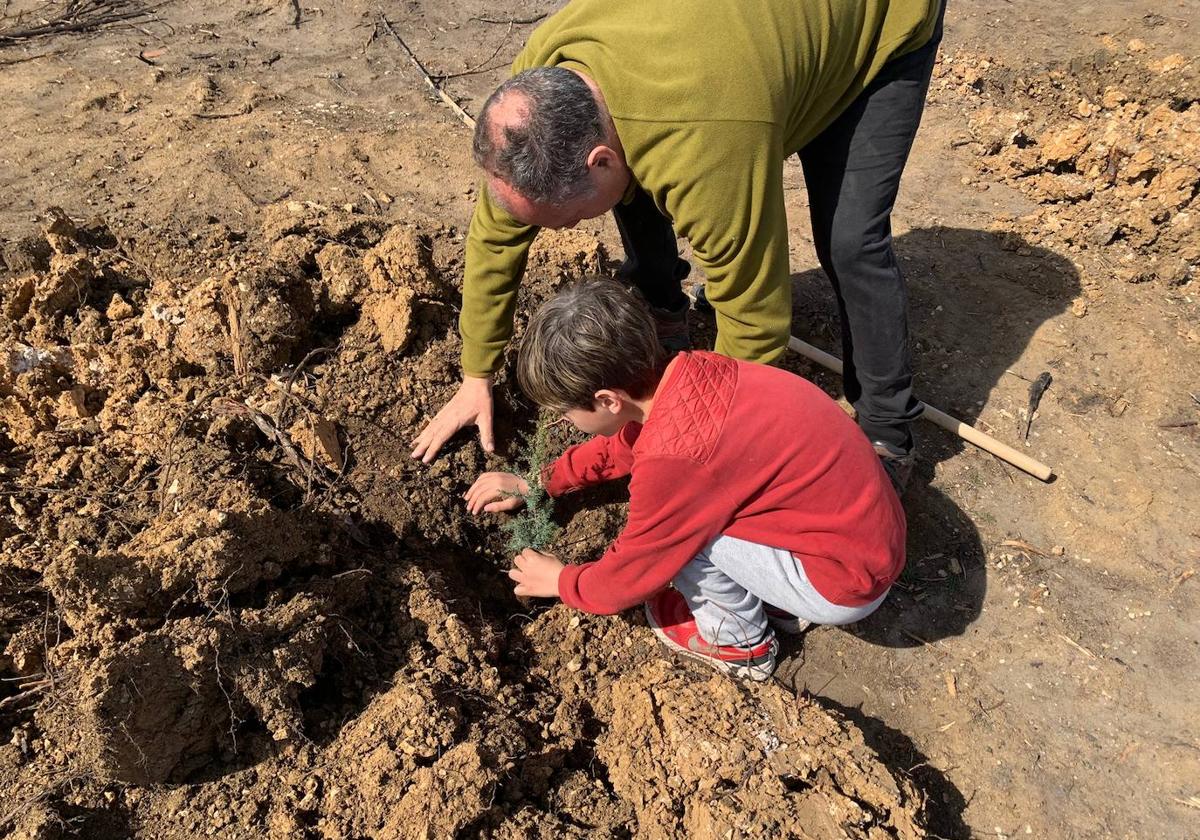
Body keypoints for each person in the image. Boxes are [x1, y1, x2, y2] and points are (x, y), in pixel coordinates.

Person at [413, 0, 947, 492]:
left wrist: (698, 446)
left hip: (876, 31)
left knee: (850, 241)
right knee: (630, 178)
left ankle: (887, 430)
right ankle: (660, 301)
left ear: (598, 158)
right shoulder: (540, 92)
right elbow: (496, 233)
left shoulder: (706, 144)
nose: (564, 232)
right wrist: (475, 373)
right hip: (747, 49)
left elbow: (754, 318)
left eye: (568, 218)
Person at [464, 279, 905, 680]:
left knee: (687, 542)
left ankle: (740, 644)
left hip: (847, 581)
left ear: (607, 400)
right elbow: (628, 441)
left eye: (565, 412)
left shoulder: (677, 461)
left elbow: (633, 570)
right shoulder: (695, 374)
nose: (564, 421)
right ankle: (778, 598)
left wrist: (562, 581)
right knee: (710, 509)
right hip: (864, 532)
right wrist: (544, 481)